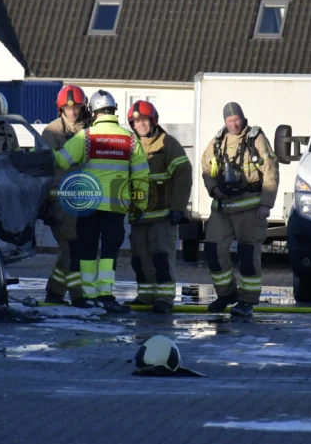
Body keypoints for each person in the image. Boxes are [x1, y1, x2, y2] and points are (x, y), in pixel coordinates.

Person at [54, 90, 149, 311]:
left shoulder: (85, 136)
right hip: (116, 206)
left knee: (87, 250)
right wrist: (140, 205)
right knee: (109, 252)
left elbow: (61, 161)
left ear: (94, 112)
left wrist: (40, 151)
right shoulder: (130, 138)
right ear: (114, 111)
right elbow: (141, 175)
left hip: (88, 204)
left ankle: (88, 295)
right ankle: (105, 294)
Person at [201, 102, 279, 317]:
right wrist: (214, 188)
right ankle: (226, 294)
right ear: (224, 122)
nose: (234, 124)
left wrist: (266, 203)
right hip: (223, 206)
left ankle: (247, 301)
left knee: (248, 254)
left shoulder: (256, 138)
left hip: (250, 207)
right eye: (230, 121)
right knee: (213, 250)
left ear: (243, 119)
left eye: (237, 120)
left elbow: (270, 169)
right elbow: (206, 166)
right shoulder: (219, 140)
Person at [124, 101, 192, 314]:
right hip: (139, 216)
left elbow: (184, 175)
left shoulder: (167, 143)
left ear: (153, 121)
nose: (141, 125)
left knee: (161, 258)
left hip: (163, 216)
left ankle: (164, 298)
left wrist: (178, 208)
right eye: (136, 122)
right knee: (139, 259)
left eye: (144, 120)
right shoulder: (130, 145)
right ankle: (145, 296)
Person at [39, 85, 90, 306]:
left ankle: (55, 291)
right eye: (68, 108)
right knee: (71, 249)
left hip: (85, 199)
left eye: (76, 107)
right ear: (60, 108)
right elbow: (45, 169)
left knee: (75, 249)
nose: (72, 111)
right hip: (60, 201)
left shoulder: (89, 128)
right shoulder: (51, 133)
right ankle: (78, 295)